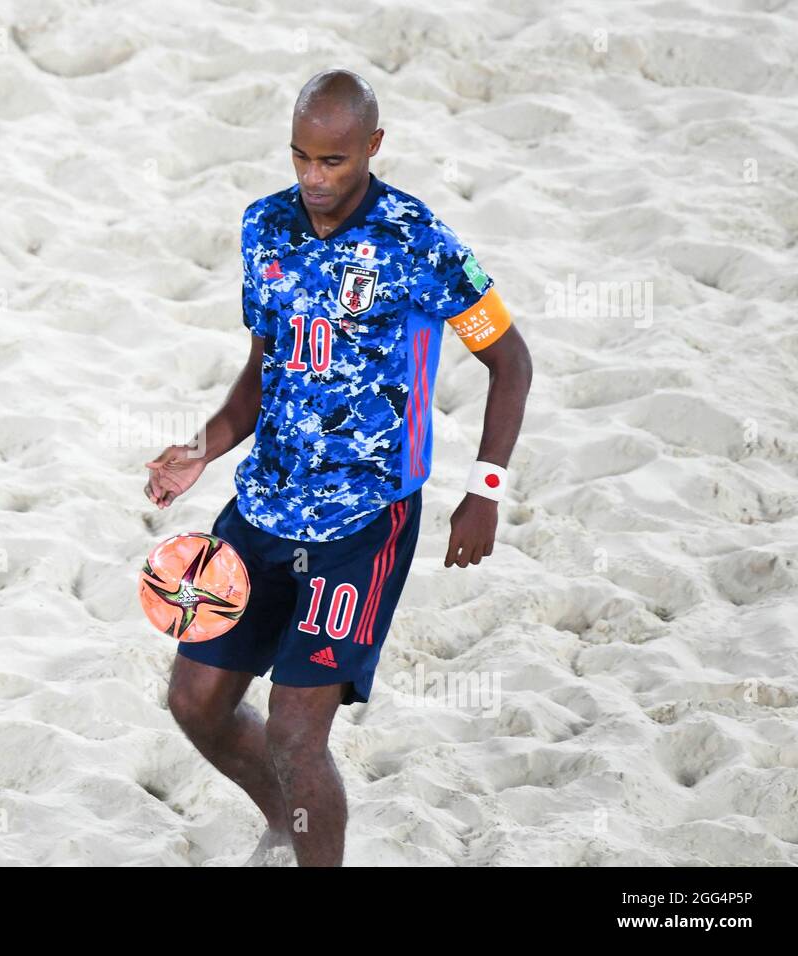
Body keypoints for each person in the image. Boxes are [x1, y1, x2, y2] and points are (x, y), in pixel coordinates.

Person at [143, 69, 533, 867]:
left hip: (364, 522)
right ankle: (290, 824)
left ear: (372, 148)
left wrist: (484, 489)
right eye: (301, 159)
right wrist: (204, 448)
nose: (314, 179)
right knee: (196, 702)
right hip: (262, 508)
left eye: (333, 161)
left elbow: (512, 362)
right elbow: (263, 371)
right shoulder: (264, 229)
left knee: (295, 732)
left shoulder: (420, 242)